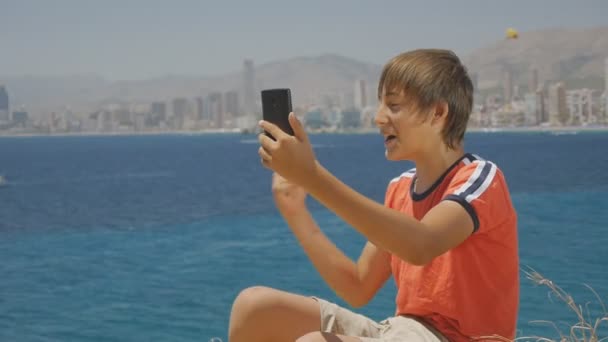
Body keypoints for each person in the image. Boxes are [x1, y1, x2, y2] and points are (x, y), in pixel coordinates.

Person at [228, 49, 520, 342]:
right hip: (399, 330)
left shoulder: (481, 178)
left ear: (438, 113)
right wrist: (295, 211)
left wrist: (311, 176)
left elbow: (422, 244)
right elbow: (357, 286)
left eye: (393, 106)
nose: (379, 119)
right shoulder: (400, 188)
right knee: (253, 307)